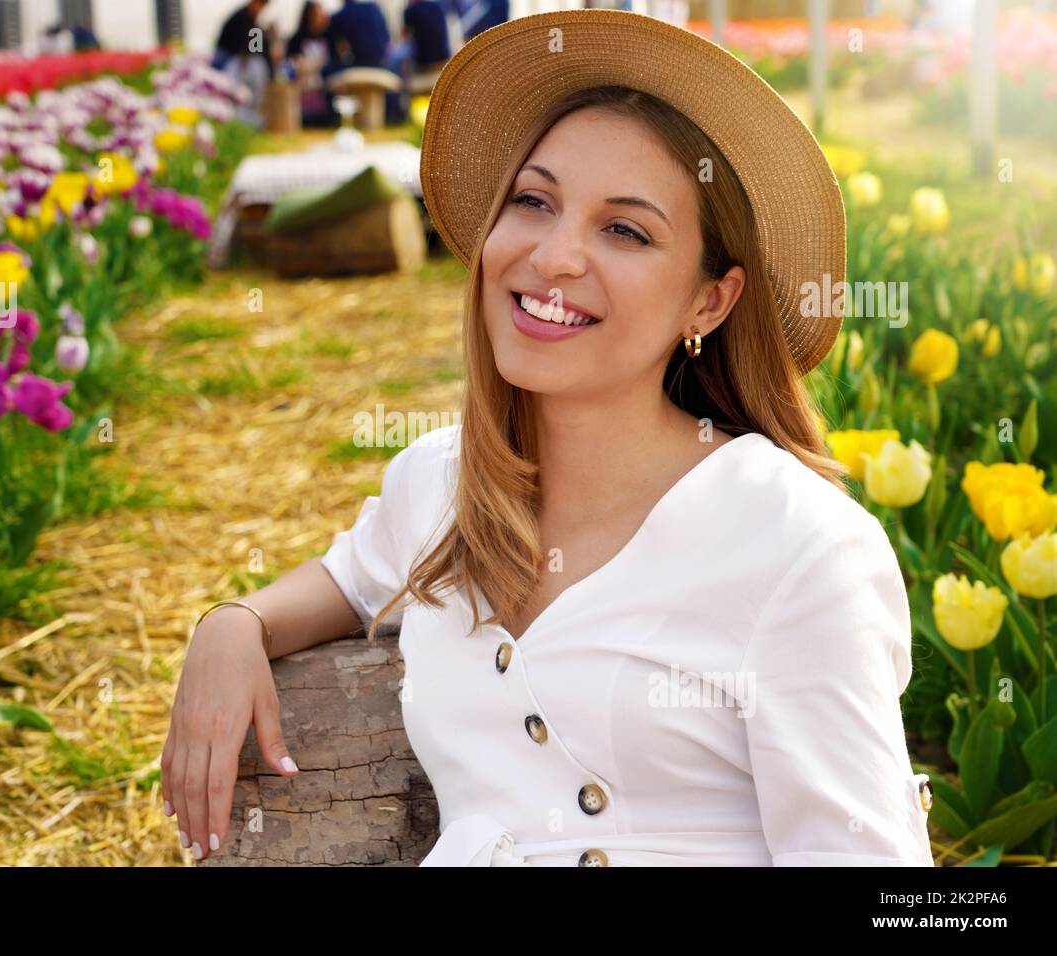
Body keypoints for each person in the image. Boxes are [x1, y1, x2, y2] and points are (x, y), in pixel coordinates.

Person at [161, 10, 936, 867]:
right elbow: (349, 577)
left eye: (625, 230)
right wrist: (230, 625)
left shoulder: (795, 546)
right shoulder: (440, 485)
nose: (555, 255)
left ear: (708, 303)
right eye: (534, 202)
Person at [213, 0, 278, 128]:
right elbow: (251, 49)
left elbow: (260, 50)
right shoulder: (240, 20)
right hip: (229, 66)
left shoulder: (254, 24)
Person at [285, 1, 338, 127]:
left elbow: (334, 62)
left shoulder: (329, 38)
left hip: (324, 89)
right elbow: (291, 65)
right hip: (303, 89)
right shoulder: (297, 39)